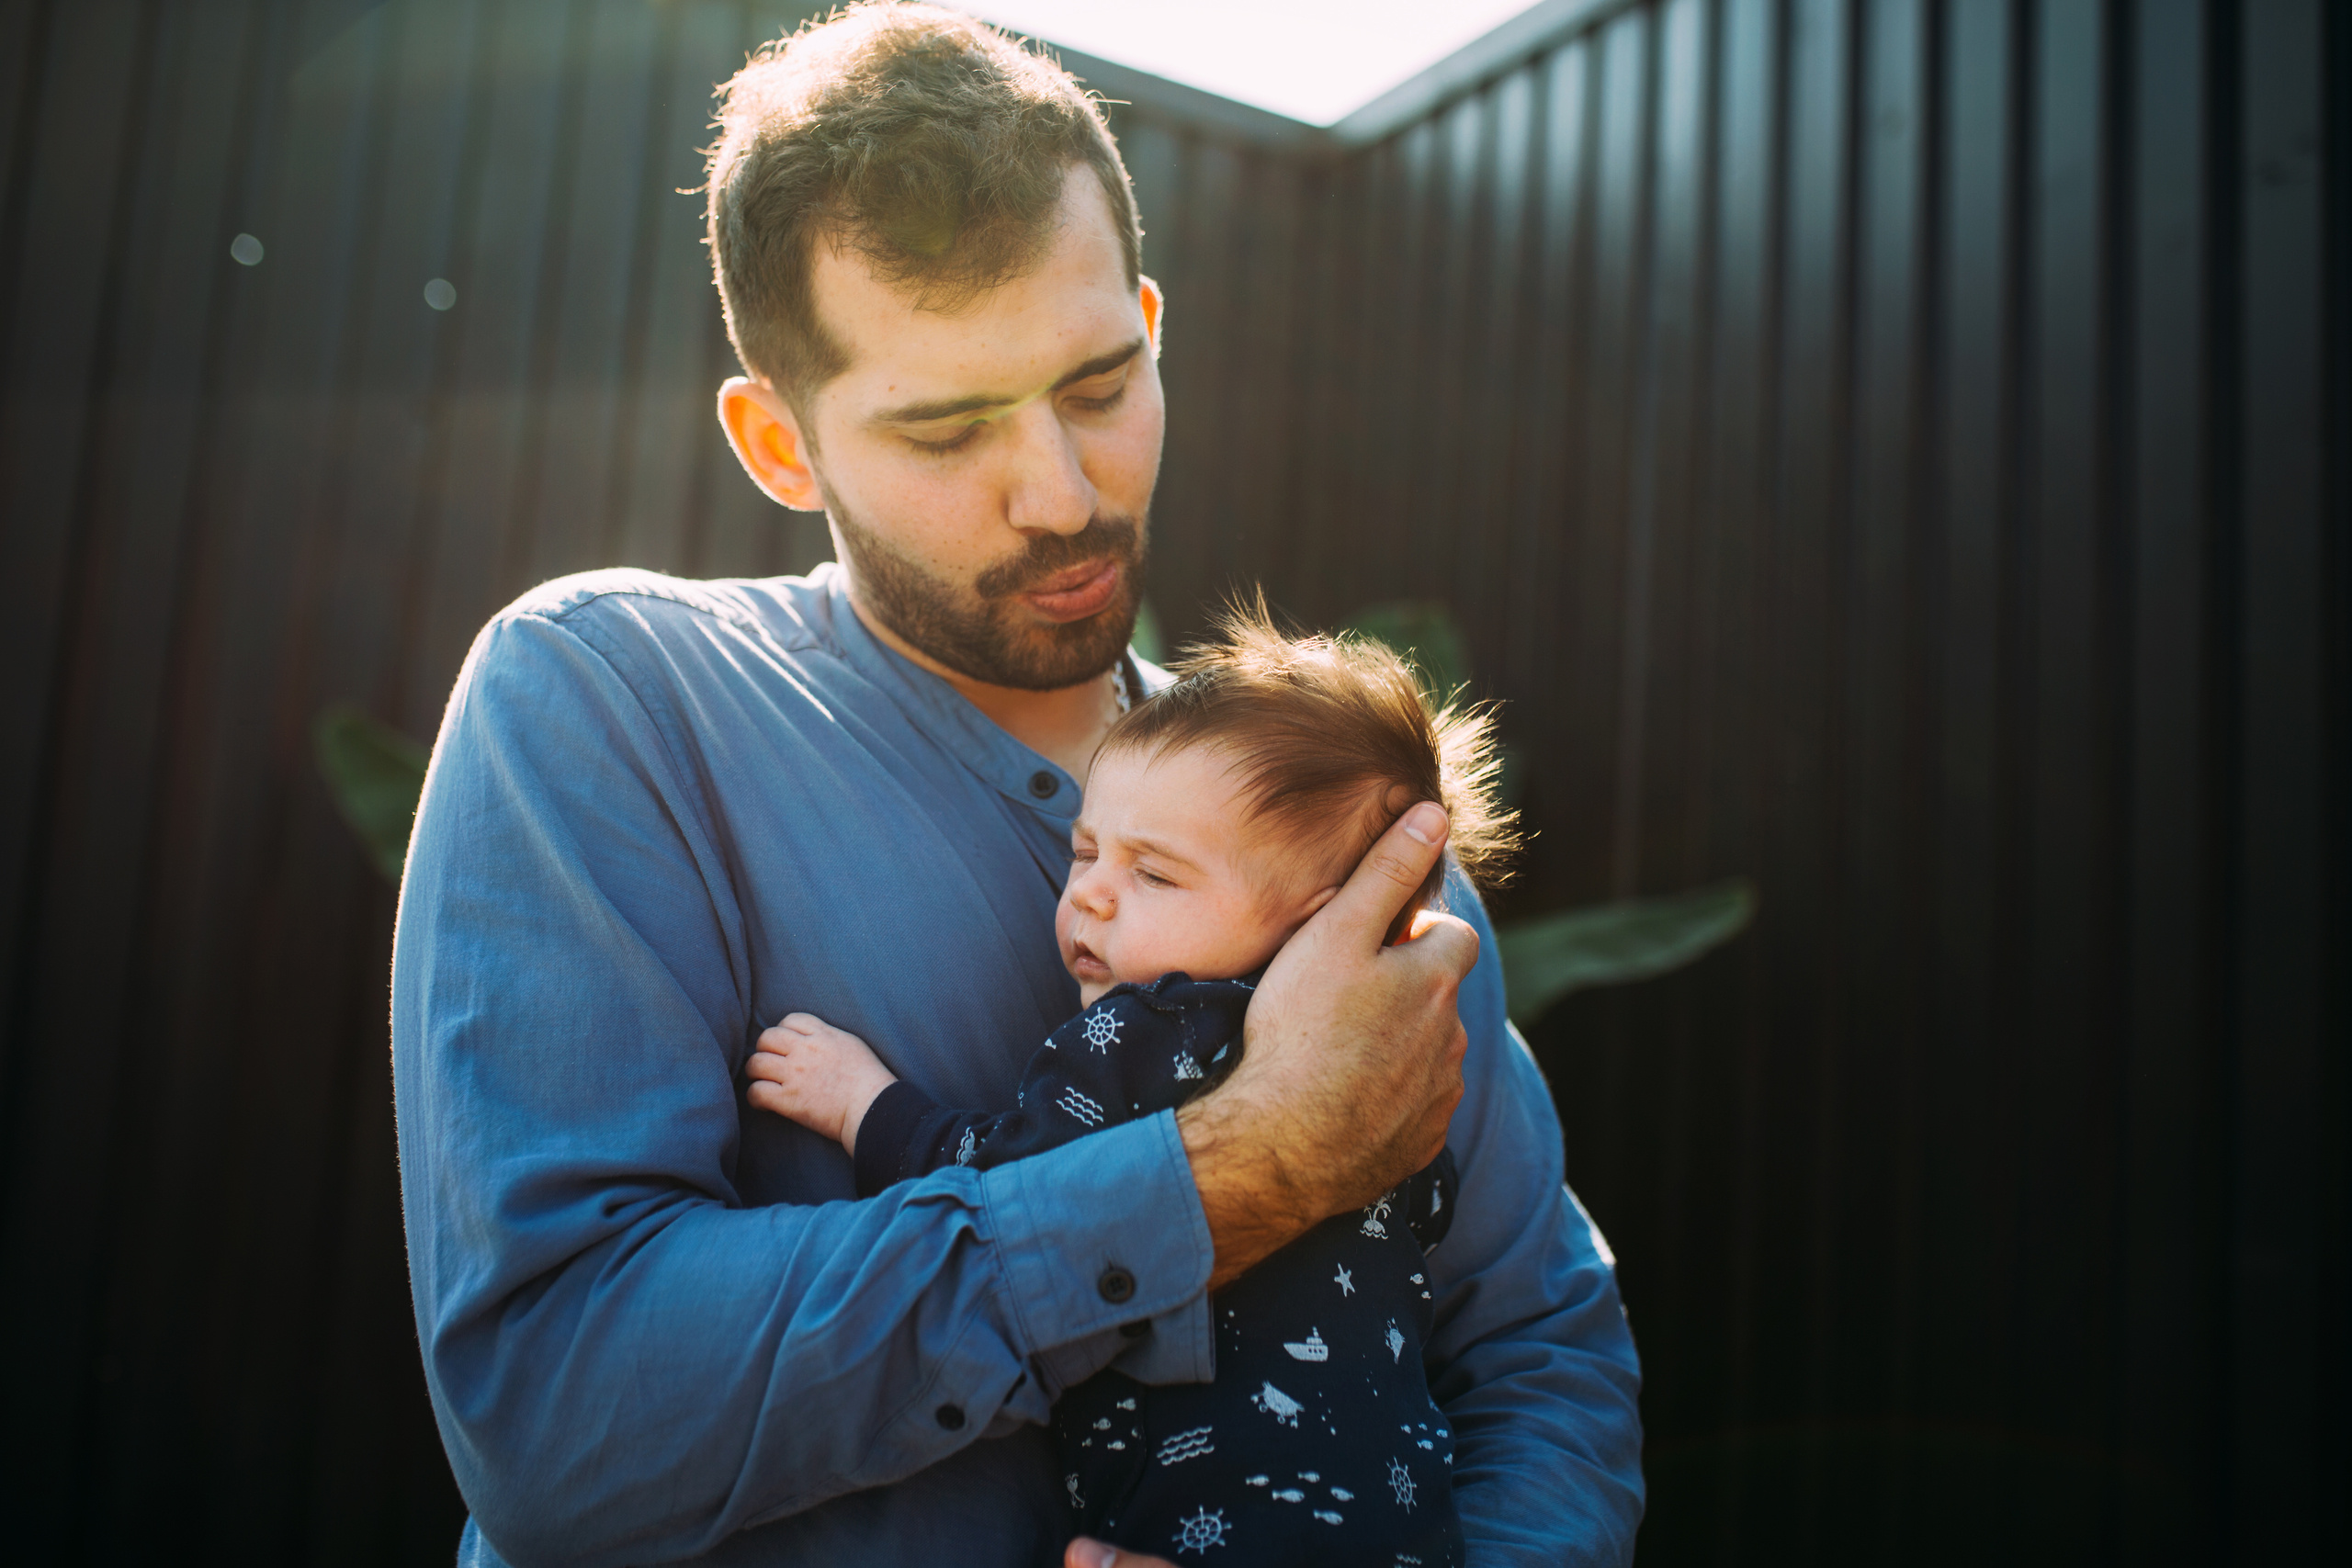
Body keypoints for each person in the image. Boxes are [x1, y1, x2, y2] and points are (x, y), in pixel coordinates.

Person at [390, 6, 1644, 1566]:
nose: (1061, 491)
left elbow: (1539, 1356)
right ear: (780, 442)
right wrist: (1242, 1168)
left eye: (1101, 384)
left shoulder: (1341, 820)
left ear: (1152, 321)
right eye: (945, 425)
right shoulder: (606, 701)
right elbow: (558, 1412)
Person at [752, 609, 1516, 1564]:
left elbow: (1016, 1193)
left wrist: (861, 1101)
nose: (1094, 895)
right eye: (1085, 851)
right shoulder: (1388, 1071)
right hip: (1402, 1520)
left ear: (1319, 926)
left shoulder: (1149, 1033)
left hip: (1223, 1516)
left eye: (1154, 873)